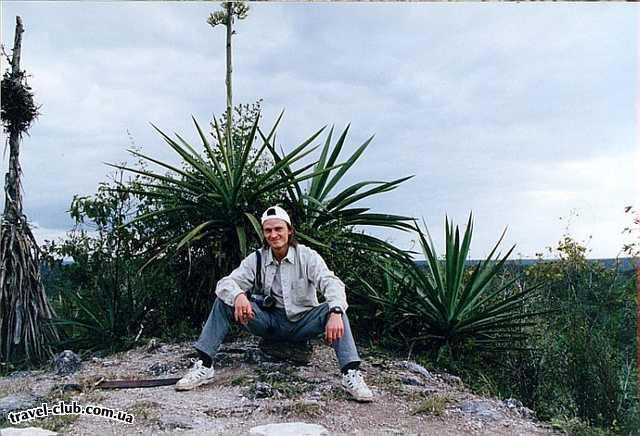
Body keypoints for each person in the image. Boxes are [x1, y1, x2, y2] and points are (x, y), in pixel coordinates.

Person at [175, 205, 374, 402]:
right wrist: (238, 295)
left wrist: (336, 311)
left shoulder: (307, 256)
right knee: (224, 301)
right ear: (263, 234)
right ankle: (204, 364)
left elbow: (331, 282)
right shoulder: (257, 259)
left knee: (335, 310)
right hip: (268, 322)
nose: (274, 235)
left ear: (289, 230)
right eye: (268, 230)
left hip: (303, 322)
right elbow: (225, 283)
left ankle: (351, 374)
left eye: (278, 229)